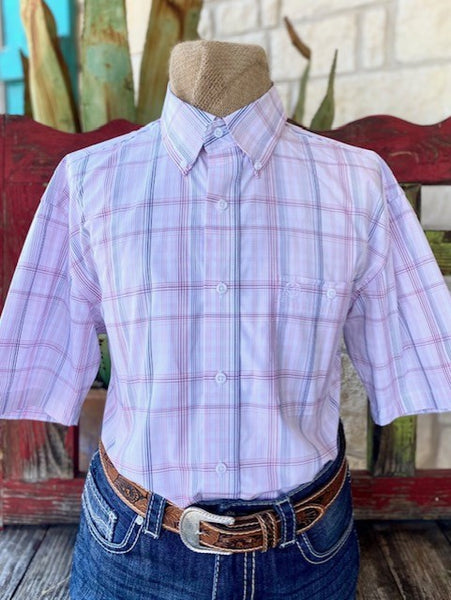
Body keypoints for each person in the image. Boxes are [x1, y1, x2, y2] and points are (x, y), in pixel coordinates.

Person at [0, 41, 450, 600]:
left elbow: (413, 359)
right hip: (132, 546)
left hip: (306, 548)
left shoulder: (359, 183)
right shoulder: (88, 181)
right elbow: (38, 363)